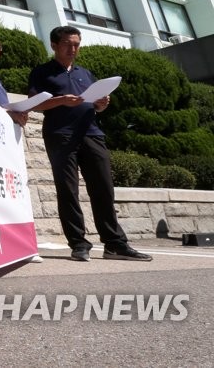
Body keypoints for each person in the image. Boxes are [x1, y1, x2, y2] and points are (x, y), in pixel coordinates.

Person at [28, 27, 152, 263]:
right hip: (61, 135)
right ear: (54, 45)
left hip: (92, 133)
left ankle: (115, 244)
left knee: (104, 188)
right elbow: (34, 104)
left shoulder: (85, 73)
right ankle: (78, 244)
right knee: (68, 190)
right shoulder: (41, 72)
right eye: (67, 44)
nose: (73, 49)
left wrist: (101, 105)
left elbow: (95, 104)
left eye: (76, 44)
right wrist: (61, 100)